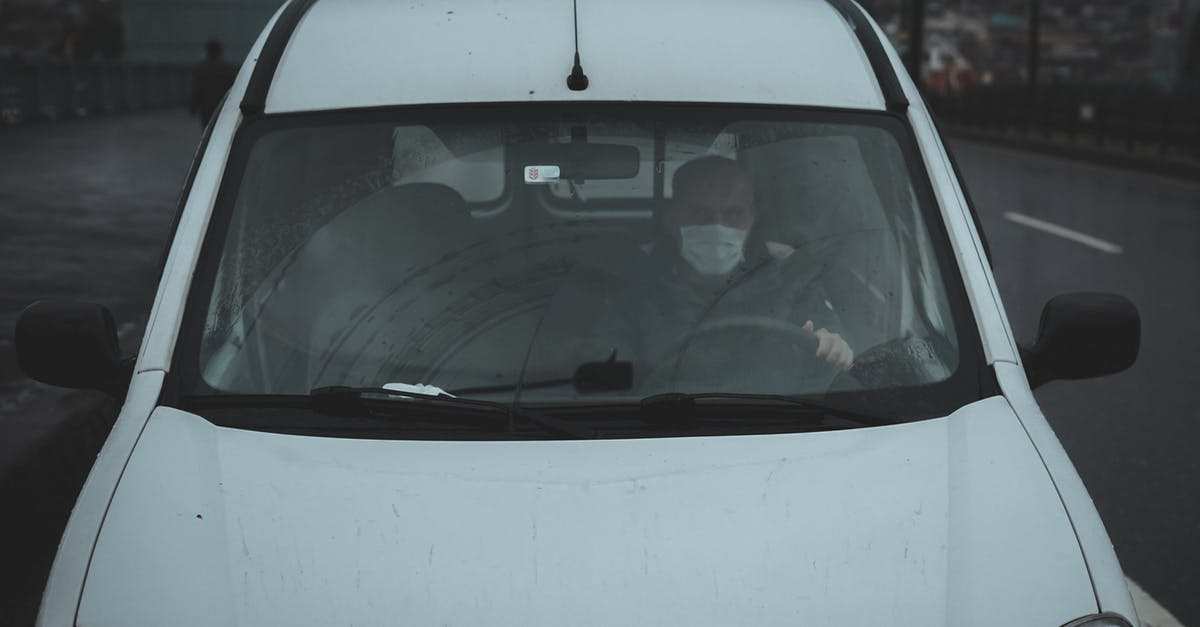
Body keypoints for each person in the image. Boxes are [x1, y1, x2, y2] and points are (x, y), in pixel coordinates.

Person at [540, 155, 854, 393]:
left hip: (777, 428)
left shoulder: (789, 279)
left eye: (732, 214)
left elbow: (834, 356)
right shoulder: (631, 287)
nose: (717, 227)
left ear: (752, 217)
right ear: (670, 216)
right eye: (699, 214)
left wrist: (832, 348)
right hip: (656, 429)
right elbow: (607, 373)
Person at [191, 39, 236, 128]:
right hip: (222, 106)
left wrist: (193, 105)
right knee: (221, 128)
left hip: (206, 107)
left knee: (207, 129)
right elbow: (233, 87)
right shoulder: (226, 68)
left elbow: (197, 89)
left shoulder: (201, 68)